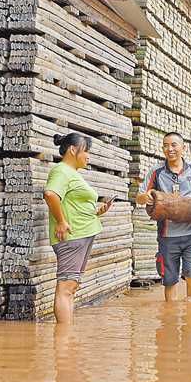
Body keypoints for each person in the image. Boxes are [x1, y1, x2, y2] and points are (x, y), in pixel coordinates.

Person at [43, 133, 114, 323]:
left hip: (82, 234)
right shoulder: (61, 171)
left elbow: (73, 203)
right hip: (72, 236)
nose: (88, 156)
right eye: (86, 151)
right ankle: (63, 341)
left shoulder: (73, 174)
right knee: (66, 286)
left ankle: (66, 337)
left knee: (72, 286)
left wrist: (97, 211)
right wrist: (61, 221)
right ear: (73, 150)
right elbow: (50, 195)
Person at [135, 132, 191, 302]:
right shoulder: (156, 172)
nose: (169, 149)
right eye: (166, 145)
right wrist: (147, 197)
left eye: (174, 145)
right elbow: (139, 197)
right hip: (168, 236)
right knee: (169, 280)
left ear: (183, 148)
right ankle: (170, 320)